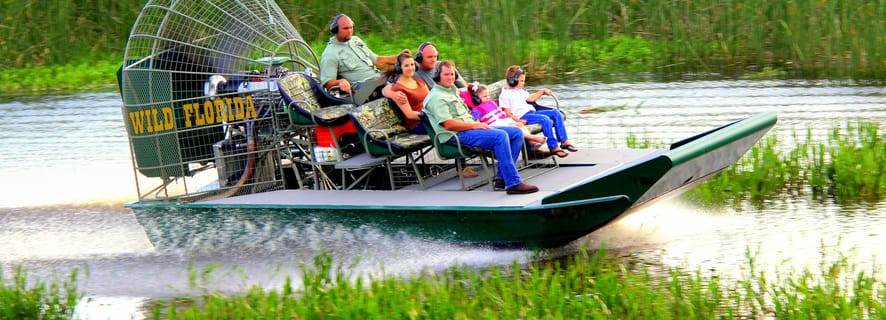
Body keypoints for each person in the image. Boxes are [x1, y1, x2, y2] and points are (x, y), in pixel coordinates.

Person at [423, 61, 539, 195]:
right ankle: (513, 183)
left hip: (470, 128)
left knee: (516, 133)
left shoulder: (452, 90)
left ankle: (502, 178)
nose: (450, 77)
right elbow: (449, 124)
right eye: (446, 75)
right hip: (456, 135)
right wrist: (475, 125)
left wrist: (478, 122)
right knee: (500, 136)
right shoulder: (437, 97)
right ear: (438, 76)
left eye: (452, 74)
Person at [319, 14, 409, 104]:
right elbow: (327, 83)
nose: (350, 31)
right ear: (335, 30)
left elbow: (377, 61)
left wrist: (400, 57)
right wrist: (340, 82)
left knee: (410, 74)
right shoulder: (330, 53)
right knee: (395, 93)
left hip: (378, 79)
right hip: (361, 90)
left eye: (351, 27)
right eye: (345, 28)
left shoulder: (356, 40)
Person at [498, 65, 577, 158]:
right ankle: (553, 146)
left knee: (556, 113)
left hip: (532, 113)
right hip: (523, 116)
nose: (523, 83)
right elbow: (506, 113)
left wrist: (542, 91)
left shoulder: (519, 90)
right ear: (512, 80)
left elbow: (531, 99)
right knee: (545, 119)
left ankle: (564, 141)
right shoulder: (505, 95)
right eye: (521, 81)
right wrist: (518, 121)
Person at [461, 81, 547, 150]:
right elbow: (477, 120)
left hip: (502, 120)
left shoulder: (490, 103)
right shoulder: (476, 109)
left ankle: (532, 141)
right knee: (515, 127)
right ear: (476, 98)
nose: (488, 98)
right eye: (484, 96)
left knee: (519, 124)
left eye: (488, 96)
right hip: (493, 124)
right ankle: (532, 138)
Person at [382, 52, 429, 134]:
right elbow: (409, 114)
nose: (410, 68)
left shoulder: (419, 82)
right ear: (399, 68)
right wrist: (430, 116)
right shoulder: (398, 89)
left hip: (431, 118)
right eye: (406, 66)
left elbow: (432, 101)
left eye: (412, 64)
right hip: (419, 123)